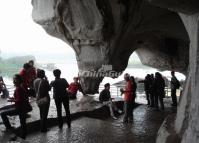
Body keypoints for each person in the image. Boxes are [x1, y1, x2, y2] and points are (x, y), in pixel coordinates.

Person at [0, 74, 32, 139]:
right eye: (14, 79)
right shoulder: (21, 87)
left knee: (3, 113)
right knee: (22, 121)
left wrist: (12, 100)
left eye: (15, 79)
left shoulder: (18, 89)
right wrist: (13, 99)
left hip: (20, 108)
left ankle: (9, 128)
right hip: (23, 107)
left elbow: (19, 100)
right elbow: (21, 98)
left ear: (18, 80)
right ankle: (23, 135)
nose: (14, 80)